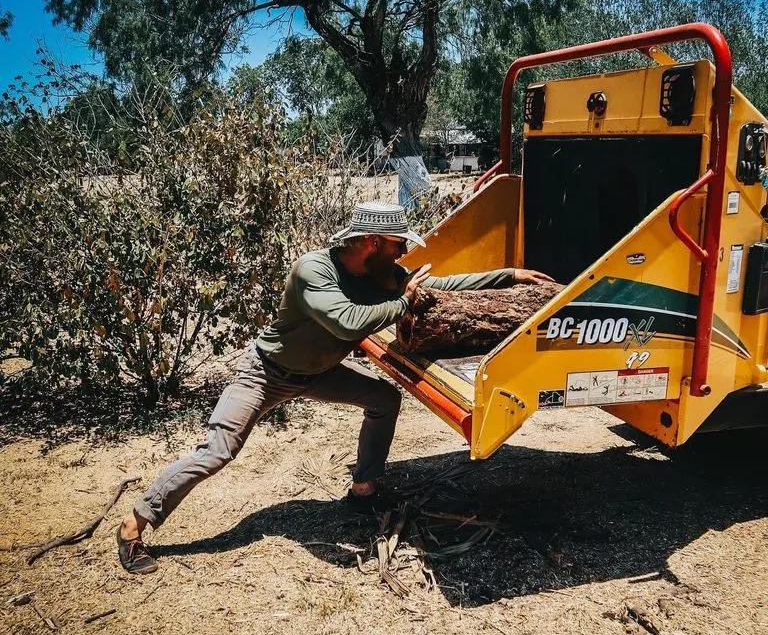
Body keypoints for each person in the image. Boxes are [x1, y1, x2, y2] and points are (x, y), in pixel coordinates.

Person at [116, 200, 554, 574]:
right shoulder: (313, 270)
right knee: (218, 451)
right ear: (372, 242)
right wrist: (402, 303)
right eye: (399, 243)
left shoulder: (382, 273)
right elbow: (345, 320)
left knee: (383, 399)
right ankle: (135, 525)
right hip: (266, 373)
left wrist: (508, 275)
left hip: (318, 373)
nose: (403, 252)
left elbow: (437, 286)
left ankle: (363, 490)